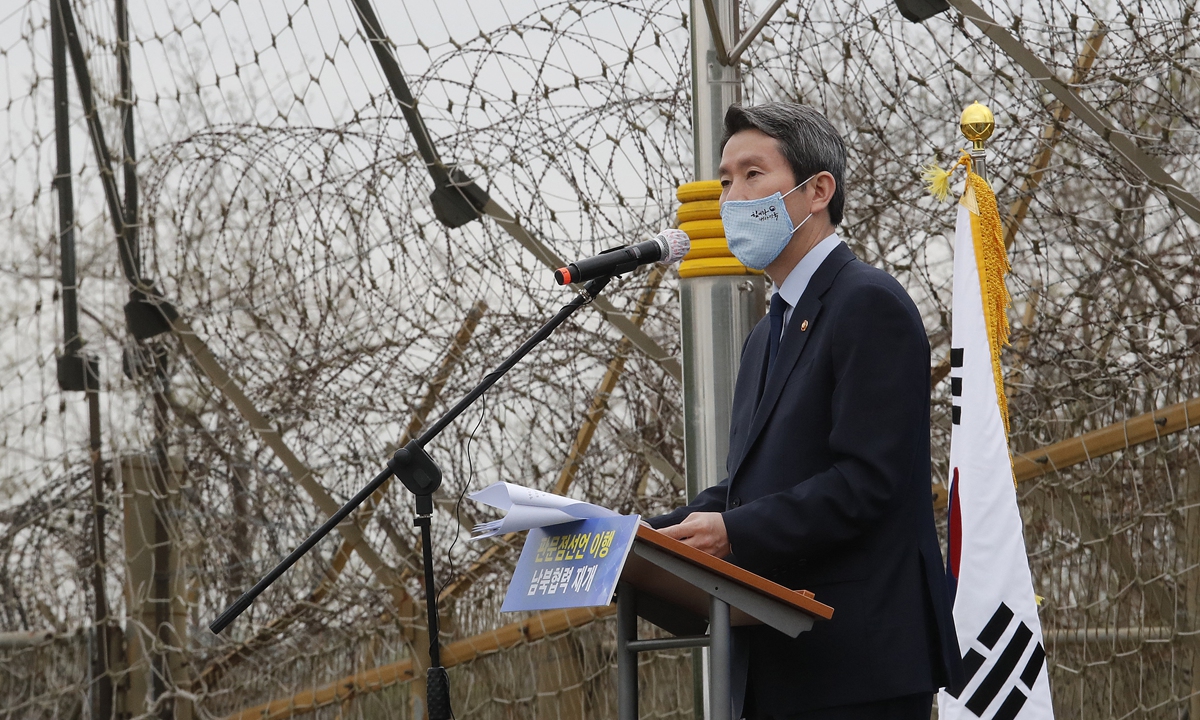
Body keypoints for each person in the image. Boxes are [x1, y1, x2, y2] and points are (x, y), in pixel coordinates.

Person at [650, 103, 964, 719]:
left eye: (752, 174)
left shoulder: (867, 304)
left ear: (819, 190)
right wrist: (639, 534)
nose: (732, 198)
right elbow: (748, 489)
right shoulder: (768, 332)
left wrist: (733, 532)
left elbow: (866, 481)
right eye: (724, 181)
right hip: (778, 663)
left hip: (856, 664)